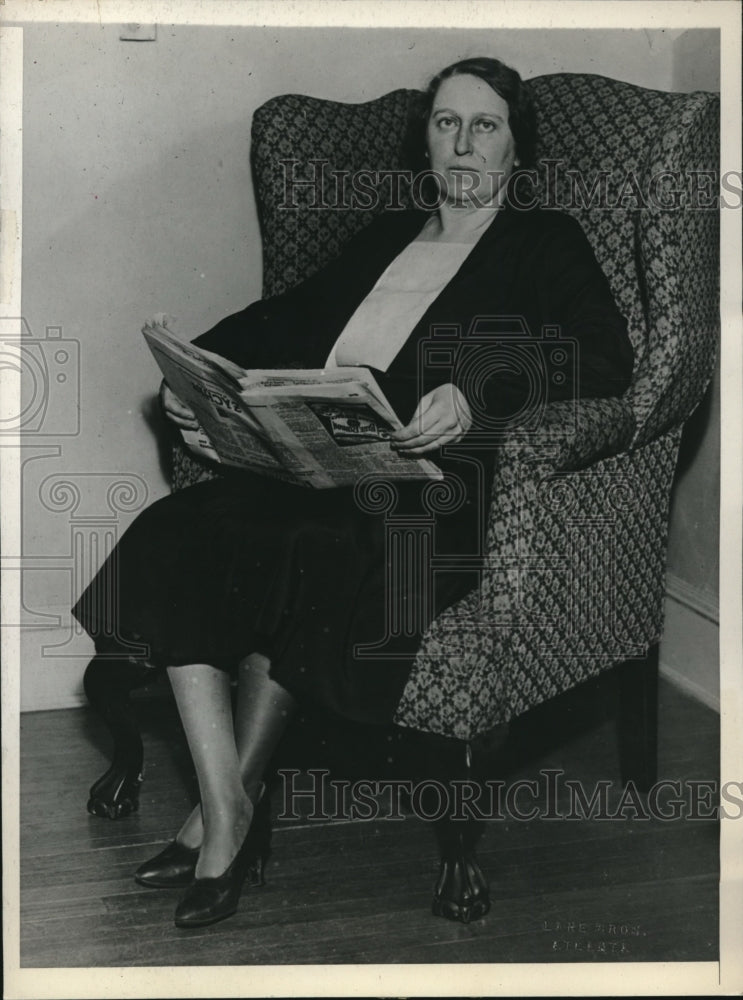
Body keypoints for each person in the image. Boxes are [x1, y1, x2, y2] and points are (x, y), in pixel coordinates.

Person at [73, 56, 634, 928]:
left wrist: (477, 387)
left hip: (424, 490)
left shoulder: (542, 239)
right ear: (426, 140)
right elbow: (287, 315)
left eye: (483, 126)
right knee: (180, 531)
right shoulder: (390, 232)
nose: (461, 142)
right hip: (324, 466)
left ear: (515, 150)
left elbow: (605, 356)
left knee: (318, 549)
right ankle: (230, 807)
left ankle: (218, 823)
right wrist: (197, 379)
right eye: (446, 123)